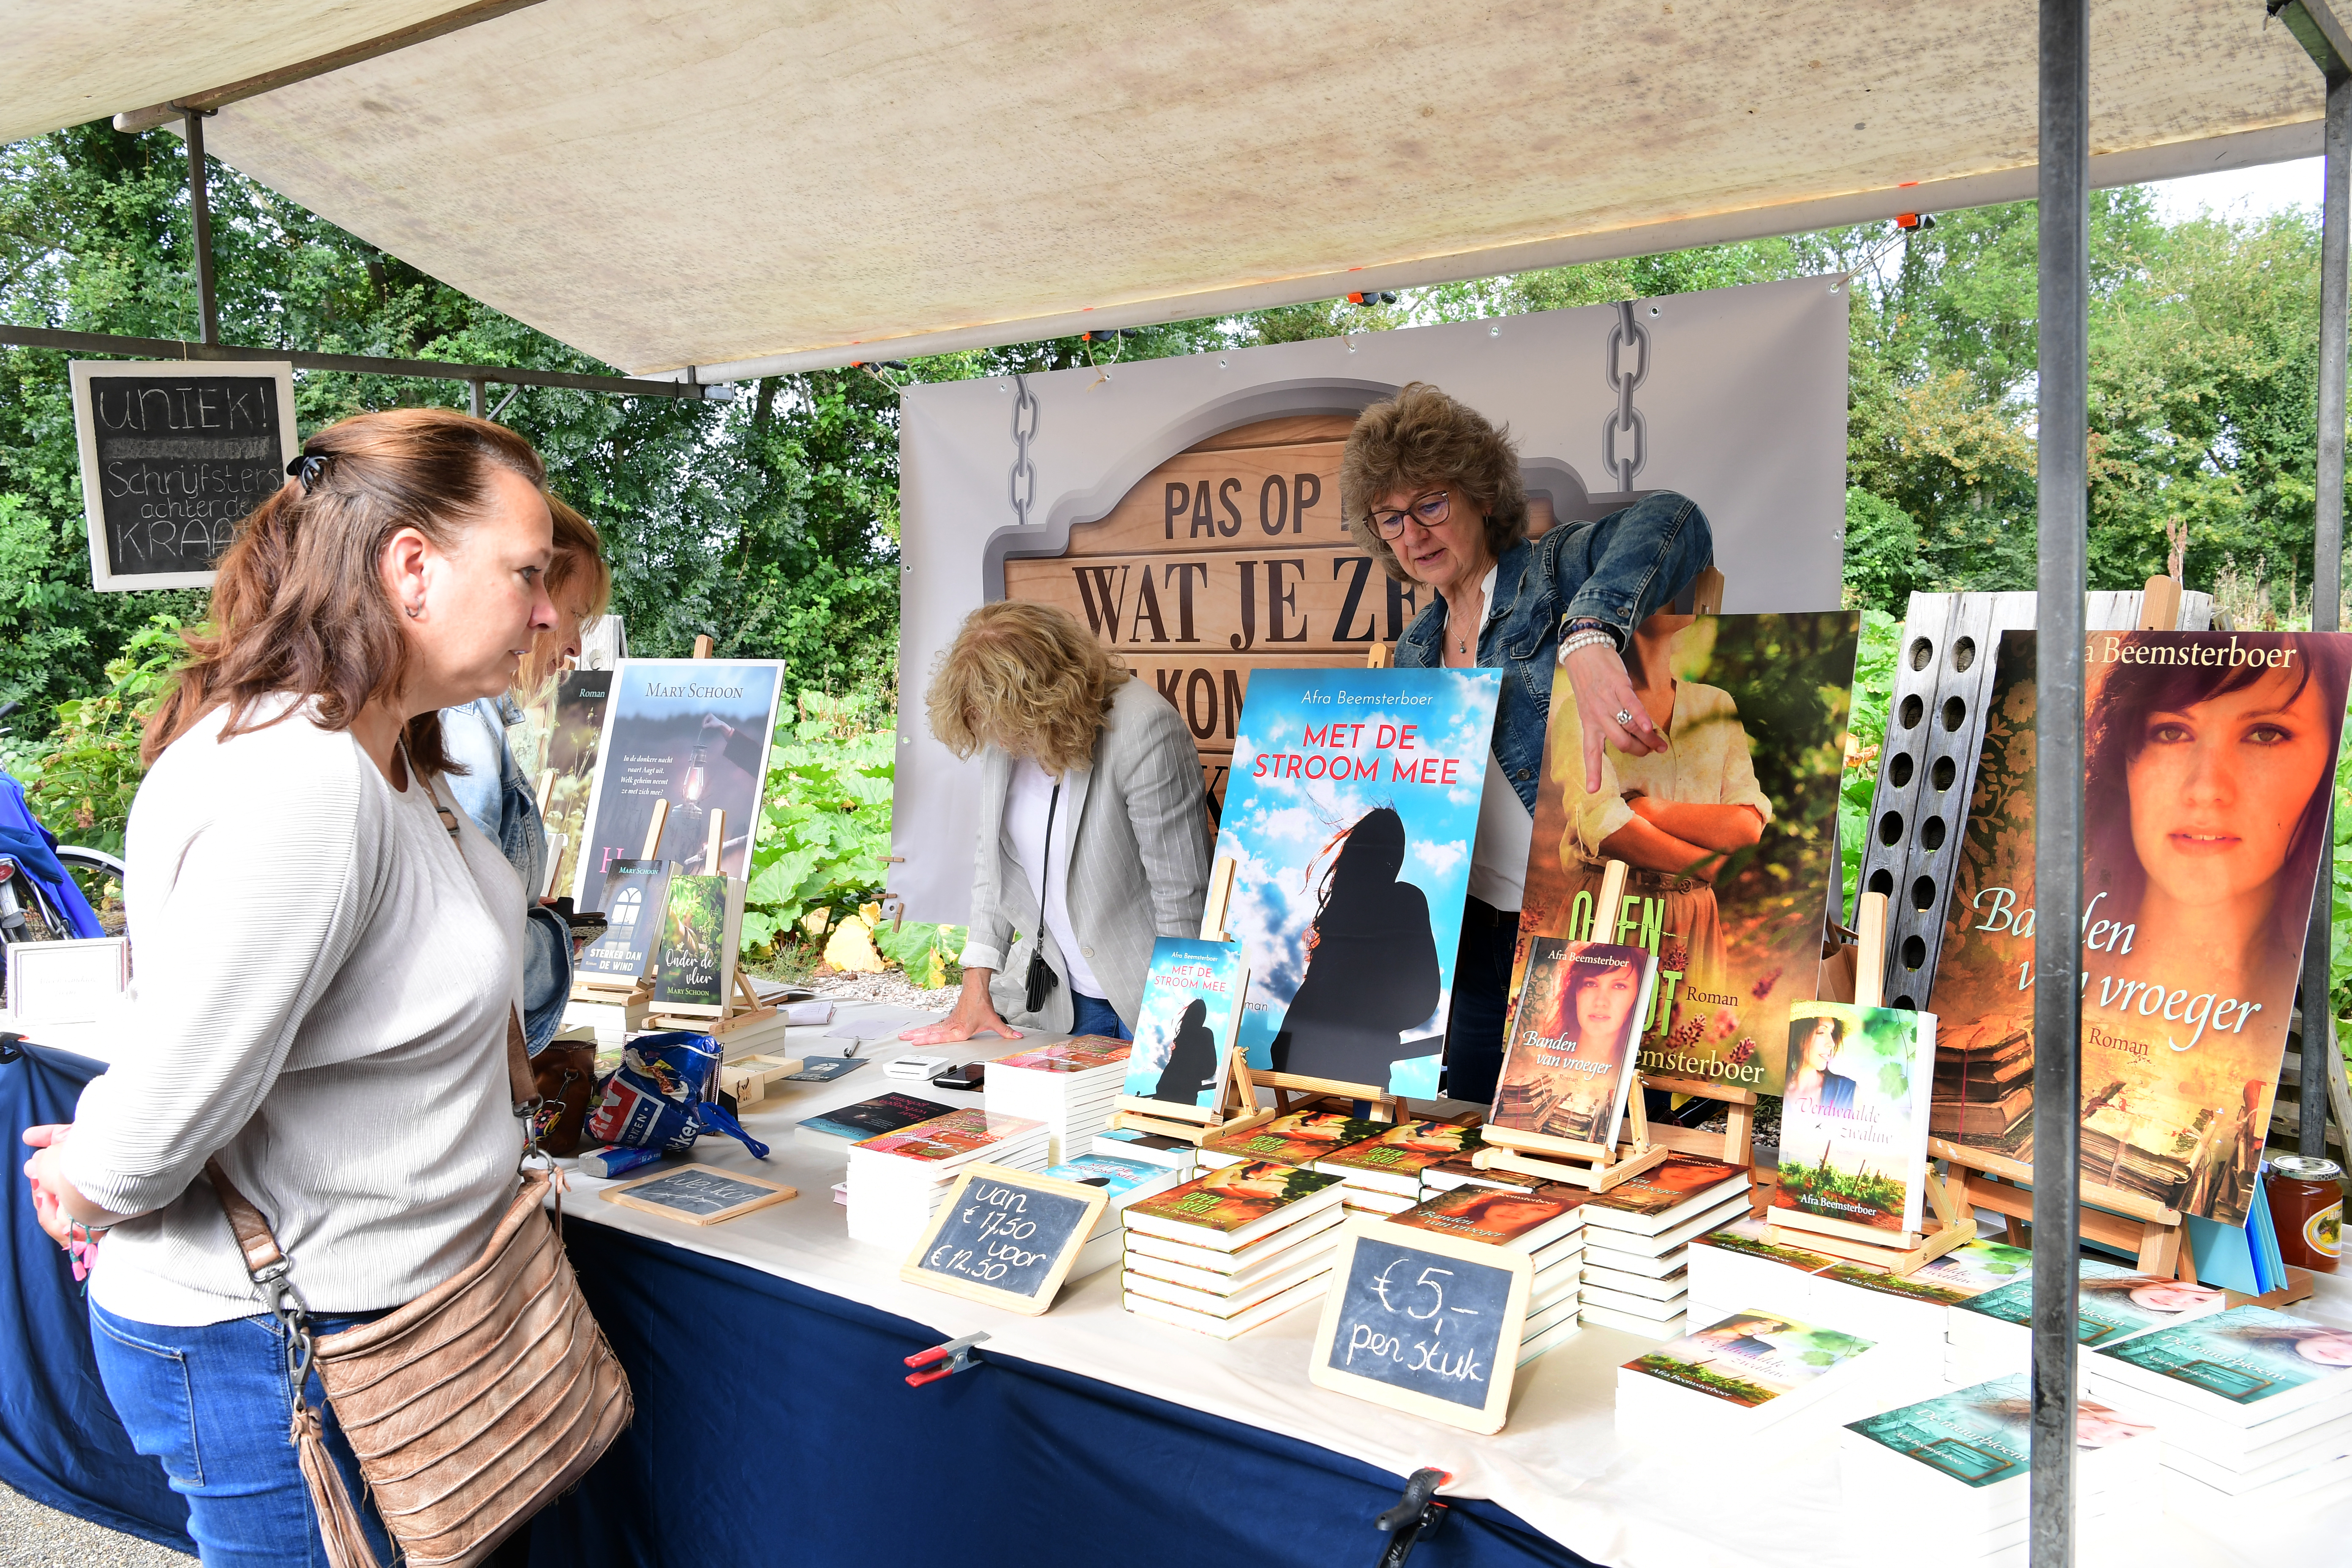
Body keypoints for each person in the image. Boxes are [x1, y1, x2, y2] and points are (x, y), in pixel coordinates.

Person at [19, 408, 559, 1563]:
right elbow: (159, 1110)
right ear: (411, 567)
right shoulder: (304, 781)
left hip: (377, 1328)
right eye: (528, 573)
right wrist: (90, 1172)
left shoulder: (383, 750)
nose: (549, 609)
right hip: (285, 1355)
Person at [1342, 382, 1712, 1103]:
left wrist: (1588, 632)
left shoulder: (1553, 571)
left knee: (1592, 1134)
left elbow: (1676, 521)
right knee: (1478, 1132)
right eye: (1389, 518)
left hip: (1589, 920)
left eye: (1430, 504)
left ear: (1480, 495)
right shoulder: (1414, 649)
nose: (1412, 534)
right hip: (1475, 933)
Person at [2079, 631, 2352, 1223]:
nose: (2207, 790)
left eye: (2266, 733)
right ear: (2127, 755)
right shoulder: (2033, 968)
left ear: (2327, 761)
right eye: (2171, 731)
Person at [904, 601, 1209, 1044]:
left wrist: (1182, 1021)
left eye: (1010, 726)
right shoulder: (1001, 728)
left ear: (1048, 696)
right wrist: (975, 987)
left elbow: (1182, 894)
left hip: (1145, 999)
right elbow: (996, 866)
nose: (1002, 742)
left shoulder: (1144, 728)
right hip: (1058, 1000)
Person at [440, 494, 613, 1053]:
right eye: (575, 613)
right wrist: (553, 940)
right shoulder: (465, 725)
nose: (572, 645)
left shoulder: (471, 719)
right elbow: (474, 951)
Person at [1550, 608, 1768, 1043]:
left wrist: (1647, 808)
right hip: (1613, 904)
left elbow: (1747, 825)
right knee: (1590, 1057)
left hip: (1695, 915)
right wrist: (1711, 865)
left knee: (1686, 1053)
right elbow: (1606, 825)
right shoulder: (1584, 708)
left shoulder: (1715, 704)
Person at [1266, 805, 1443, 1081]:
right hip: (1345, 1058)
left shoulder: (1355, 908)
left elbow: (1421, 999)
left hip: (1318, 1054)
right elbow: (1422, 1001)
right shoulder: (1394, 902)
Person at [1149, 998, 1219, 1104]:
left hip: (1169, 1087)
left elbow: (1210, 1069)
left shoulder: (1184, 1036)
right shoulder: (1202, 1034)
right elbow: (1210, 1069)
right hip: (1183, 1092)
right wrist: (1193, 1078)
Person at [1786, 1013, 1858, 1114]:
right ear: (1798, 1036)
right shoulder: (1774, 1090)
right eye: (1821, 1032)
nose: (1832, 1044)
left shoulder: (1848, 1091)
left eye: (1832, 1033)